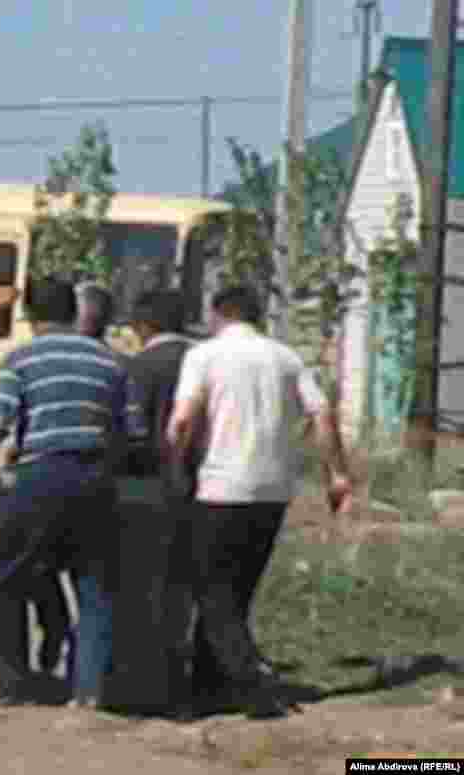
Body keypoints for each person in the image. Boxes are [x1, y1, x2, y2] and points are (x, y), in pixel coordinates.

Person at [166, 285, 353, 719]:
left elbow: (183, 420)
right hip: (272, 491)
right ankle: (210, 684)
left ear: (218, 315)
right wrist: (337, 475)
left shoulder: (204, 356)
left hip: (220, 487)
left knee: (211, 592)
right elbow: (322, 415)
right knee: (238, 592)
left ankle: (254, 688)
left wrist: (175, 467)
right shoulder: (286, 358)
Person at [0, 277, 128, 706]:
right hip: (96, 480)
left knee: (8, 581)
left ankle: (14, 684)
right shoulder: (111, 361)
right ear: (71, 312)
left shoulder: (19, 359)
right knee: (95, 587)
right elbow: (129, 431)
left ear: (29, 314)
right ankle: (89, 690)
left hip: (38, 477)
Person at [101, 290, 200, 718]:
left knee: (142, 587)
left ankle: (143, 683)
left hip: (146, 489)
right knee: (184, 587)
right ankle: (181, 676)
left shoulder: (139, 366)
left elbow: (132, 431)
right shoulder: (203, 360)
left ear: (143, 327)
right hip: (201, 487)